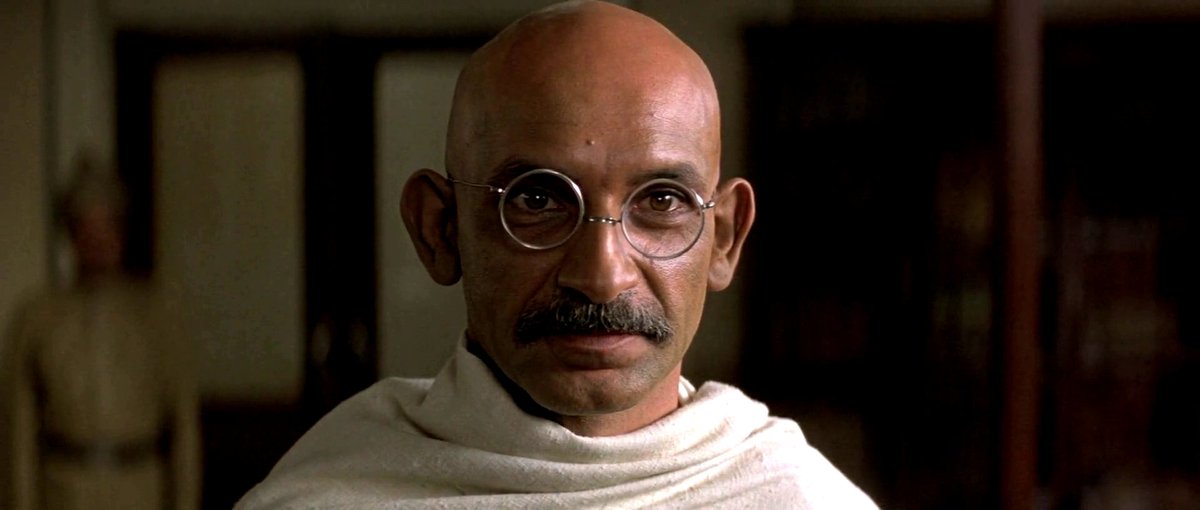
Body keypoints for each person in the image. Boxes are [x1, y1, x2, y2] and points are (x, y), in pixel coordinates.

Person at [237, 1, 876, 507]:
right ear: (440, 230)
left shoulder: (795, 497)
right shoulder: (330, 493)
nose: (601, 276)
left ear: (725, 239)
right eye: (538, 199)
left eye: (661, 201)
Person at [0, 158, 200, 510]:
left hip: (141, 488)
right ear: (71, 234)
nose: (98, 240)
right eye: (86, 228)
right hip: (65, 490)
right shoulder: (37, 319)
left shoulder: (158, 316)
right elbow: (19, 434)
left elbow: (184, 427)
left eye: (107, 226)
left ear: (122, 232)